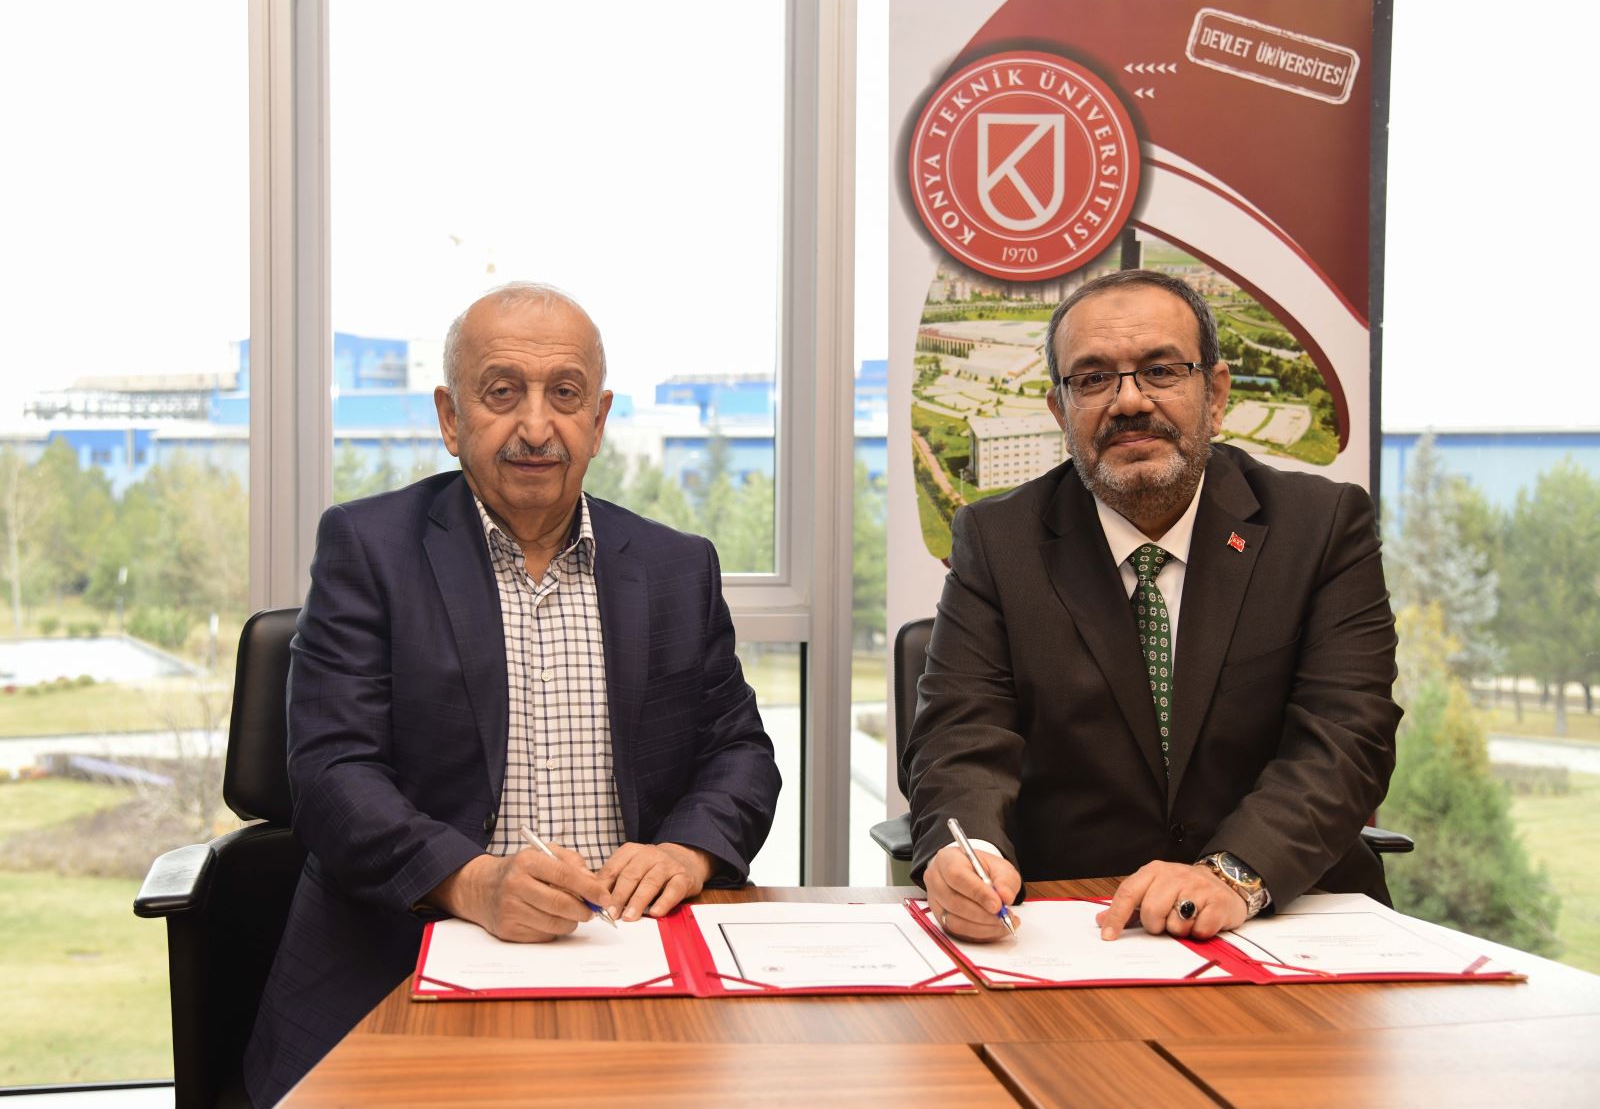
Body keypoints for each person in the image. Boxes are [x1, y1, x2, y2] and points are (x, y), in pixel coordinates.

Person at [244, 283, 780, 1106]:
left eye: (565, 394)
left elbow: (739, 753)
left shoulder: (677, 566)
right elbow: (331, 773)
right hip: (404, 962)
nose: (536, 426)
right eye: (502, 393)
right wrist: (472, 883)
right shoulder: (368, 549)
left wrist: (687, 852)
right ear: (451, 417)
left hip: (631, 960)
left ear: (598, 420)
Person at [904, 269, 1400, 947]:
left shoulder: (1320, 527)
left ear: (1215, 394)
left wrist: (1234, 873)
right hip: (1079, 926)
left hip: (1287, 914)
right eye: (1093, 379)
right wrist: (971, 854)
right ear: (1060, 411)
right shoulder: (998, 541)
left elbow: (1346, 737)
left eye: (1161, 371)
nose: (1129, 401)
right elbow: (960, 735)